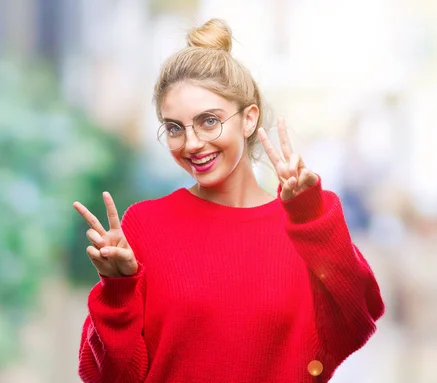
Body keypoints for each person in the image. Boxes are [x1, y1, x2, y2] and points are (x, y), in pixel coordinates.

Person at [72, 18, 384, 383]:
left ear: (249, 119)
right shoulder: (144, 226)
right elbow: (110, 377)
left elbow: (356, 318)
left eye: (208, 121)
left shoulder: (304, 228)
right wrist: (118, 289)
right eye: (174, 128)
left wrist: (310, 214)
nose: (191, 144)